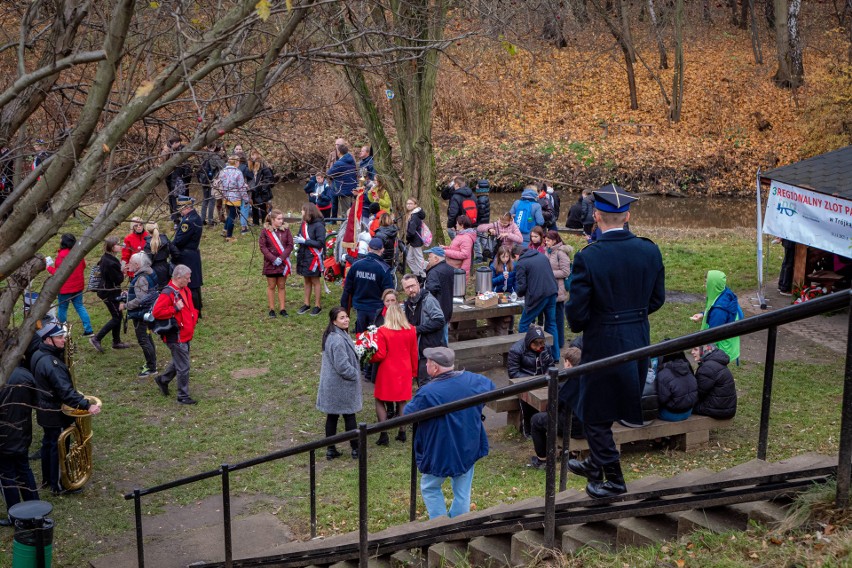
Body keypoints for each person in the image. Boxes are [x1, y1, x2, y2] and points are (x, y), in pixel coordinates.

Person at [565, 184, 665, 499]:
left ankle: (614, 479)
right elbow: (657, 299)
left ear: (596, 216)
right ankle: (596, 463)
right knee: (589, 402)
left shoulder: (589, 257)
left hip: (604, 343)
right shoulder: (649, 250)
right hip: (637, 340)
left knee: (594, 415)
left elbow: (577, 315)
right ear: (628, 216)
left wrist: (602, 318)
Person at [403, 346, 495, 519]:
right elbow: (491, 389)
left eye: (427, 362)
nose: (425, 365)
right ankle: (458, 524)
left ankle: (440, 524)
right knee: (462, 489)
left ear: (435, 368)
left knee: (430, 486)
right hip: (468, 444)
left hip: (439, 449)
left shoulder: (428, 393)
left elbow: (408, 414)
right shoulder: (474, 380)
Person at [31, 321, 101, 494]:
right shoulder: (51, 364)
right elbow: (65, 391)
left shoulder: (38, 354)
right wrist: (87, 406)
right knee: (57, 447)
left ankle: (48, 479)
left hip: (44, 409)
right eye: (59, 338)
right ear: (48, 340)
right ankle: (59, 485)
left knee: (48, 444)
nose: (63, 340)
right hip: (55, 411)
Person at [317, 308, 362, 460]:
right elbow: (342, 365)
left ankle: (331, 449)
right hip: (341, 385)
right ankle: (355, 449)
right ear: (334, 321)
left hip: (334, 386)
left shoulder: (335, 334)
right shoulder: (337, 339)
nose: (346, 319)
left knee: (333, 416)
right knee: (349, 416)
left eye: (347, 316)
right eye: (342, 318)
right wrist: (355, 374)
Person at [371, 303, 418, 445]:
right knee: (402, 401)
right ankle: (402, 432)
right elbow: (414, 353)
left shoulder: (383, 331)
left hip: (387, 371)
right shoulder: (411, 330)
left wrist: (370, 357)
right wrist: (414, 372)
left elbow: (380, 354)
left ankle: (383, 434)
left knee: (380, 400)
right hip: (404, 370)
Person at [152, 264, 199, 405]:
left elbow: (190, 308)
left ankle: (163, 380)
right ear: (178, 278)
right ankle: (183, 396)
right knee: (183, 367)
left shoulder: (184, 289)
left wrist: (193, 318)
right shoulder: (168, 293)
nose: (189, 281)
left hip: (185, 333)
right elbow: (157, 312)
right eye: (187, 278)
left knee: (179, 361)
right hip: (176, 336)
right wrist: (174, 308)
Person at [529, 346, 582, 469]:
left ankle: (542, 459)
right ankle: (573, 453)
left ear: (568, 363)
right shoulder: (589, 378)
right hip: (588, 424)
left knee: (536, 420)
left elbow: (553, 408)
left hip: (572, 427)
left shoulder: (564, 383)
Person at [0, 365, 40, 525]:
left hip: (3, 440)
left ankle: (16, 516)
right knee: (24, 470)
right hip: (22, 434)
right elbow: (36, 401)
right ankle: (36, 510)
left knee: (7, 477)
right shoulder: (24, 374)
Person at [515, 245, 559, 361]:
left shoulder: (521, 263)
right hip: (552, 291)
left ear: (516, 255)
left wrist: (518, 294)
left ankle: (524, 356)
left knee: (524, 324)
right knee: (551, 324)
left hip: (538, 296)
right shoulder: (541, 256)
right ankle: (555, 356)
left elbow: (521, 286)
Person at [341, 237, 395, 332]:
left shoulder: (356, 265)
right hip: (377, 309)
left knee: (361, 337)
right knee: (376, 337)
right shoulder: (384, 269)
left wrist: (343, 308)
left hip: (360, 307)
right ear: (382, 250)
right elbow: (390, 291)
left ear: (368, 248)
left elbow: (347, 289)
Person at [46, 233, 94, 337]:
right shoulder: (78, 253)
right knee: (80, 307)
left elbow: (58, 273)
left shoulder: (61, 255)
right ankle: (89, 330)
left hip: (65, 288)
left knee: (63, 308)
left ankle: (61, 331)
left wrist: (48, 267)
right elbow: (83, 266)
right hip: (78, 287)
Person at [402, 274, 446, 387]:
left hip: (430, 350)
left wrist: (417, 329)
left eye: (412, 286)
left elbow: (440, 321)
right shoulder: (408, 304)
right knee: (421, 381)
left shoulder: (428, 300)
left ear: (418, 284)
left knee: (427, 384)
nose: (411, 290)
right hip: (416, 350)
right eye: (407, 288)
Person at [690, 270, 743, 363]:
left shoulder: (719, 311)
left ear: (713, 284)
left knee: (712, 372)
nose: (704, 285)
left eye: (706, 282)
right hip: (728, 346)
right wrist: (703, 314)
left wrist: (701, 352)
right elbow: (712, 307)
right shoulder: (724, 293)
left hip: (721, 350)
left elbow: (712, 336)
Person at [90, 236, 131, 353]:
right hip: (109, 293)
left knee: (118, 315)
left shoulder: (107, 258)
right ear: (113, 247)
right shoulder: (110, 262)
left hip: (112, 291)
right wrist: (123, 273)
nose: (121, 245)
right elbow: (117, 279)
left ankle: (116, 342)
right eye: (118, 244)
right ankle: (96, 338)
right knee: (116, 317)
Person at [125, 252, 159, 378]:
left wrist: (126, 305)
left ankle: (151, 367)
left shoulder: (141, 278)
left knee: (143, 339)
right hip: (148, 312)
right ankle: (151, 363)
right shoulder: (149, 272)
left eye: (131, 263)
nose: (129, 265)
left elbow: (141, 299)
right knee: (147, 337)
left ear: (138, 265)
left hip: (141, 314)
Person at [172, 196, 205, 318]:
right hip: (193, 253)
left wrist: (171, 246)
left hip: (186, 255)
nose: (180, 211)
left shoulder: (188, 221)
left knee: (191, 283)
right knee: (194, 283)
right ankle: (197, 309)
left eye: (181, 208)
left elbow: (179, 240)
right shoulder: (195, 217)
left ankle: (195, 311)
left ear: (187, 207)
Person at [259, 209, 294, 317]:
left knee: (282, 286)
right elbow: (263, 247)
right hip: (270, 263)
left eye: (282, 218)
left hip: (283, 263)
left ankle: (282, 309)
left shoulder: (286, 230)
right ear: (272, 220)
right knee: (271, 286)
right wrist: (273, 259)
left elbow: (290, 244)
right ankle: (272, 309)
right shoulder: (265, 231)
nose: (281, 221)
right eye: (279, 219)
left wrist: (282, 258)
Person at [295, 203, 326, 316]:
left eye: (303, 210)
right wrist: (297, 240)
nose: (301, 212)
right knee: (306, 280)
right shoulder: (304, 224)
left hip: (314, 257)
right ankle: (306, 303)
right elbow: (300, 235)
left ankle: (317, 305)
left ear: (308, 212)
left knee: (315, 281)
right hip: (304, 255)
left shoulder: (319, 226)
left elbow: (320, 243)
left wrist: (305, 241)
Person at [543, 230, 573, 350]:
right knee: (550, 317)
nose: (546, 242)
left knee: (558, 318)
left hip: (559, 290)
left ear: (555, 240)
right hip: (549, 288)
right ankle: (550, 341)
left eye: (548, 240)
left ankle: (559, 342)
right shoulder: (547, 251)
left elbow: (566, 272)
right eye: (545, 240)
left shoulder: (561, 253)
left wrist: (550, 273)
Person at [692, 344, 737, 419]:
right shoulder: (714, 361)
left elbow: (698, 393)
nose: (692, 352)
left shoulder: (708, 367)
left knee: (681, 408)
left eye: (695, 349)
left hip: (719, 410)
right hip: (726, 407)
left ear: (704, 350)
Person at [655, 351, 698, 422]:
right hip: (688, 412)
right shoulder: (687, 368)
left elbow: (661, 399)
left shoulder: (663, 374)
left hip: (672, 414)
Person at [424, 247, 455, 344]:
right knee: (444, 338)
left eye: (430, 257)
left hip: (437, 310)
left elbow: (430, 291)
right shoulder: (449, 269)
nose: (428, 259)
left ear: (436, 259)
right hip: (447, 309)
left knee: (439, 341)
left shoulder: (434, 272)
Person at [218, 155, 250, 242]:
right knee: (233, 216)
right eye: (238, 161)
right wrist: (246, 199)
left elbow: (221, 183)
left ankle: (225, 230)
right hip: (235, 198)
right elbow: (241, 188)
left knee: (230, 214)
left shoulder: (223, 171)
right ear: (236, 162)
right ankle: (229, 236)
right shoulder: (238, 172)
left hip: (226, 196)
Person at [144, 222, 178, 290]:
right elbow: (176, 252)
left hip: (152, 270)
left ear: (147, 230)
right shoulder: (165, 240)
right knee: (166, 291)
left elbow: (147, 262)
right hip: (165, 268)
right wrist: (171, 262)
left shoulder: (148, 244)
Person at [327, 143, 357, 218]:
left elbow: (329, 173)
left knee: (345, 211)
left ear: (339, 152)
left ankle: (346, 227)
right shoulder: (351, 160)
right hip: (351, 188)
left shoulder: (339, 163)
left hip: (343, 189)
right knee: (349, 208)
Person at [198, 144, 225, 226]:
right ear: (214, 147)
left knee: (205, 199)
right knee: (212, 200)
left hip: (203, 180)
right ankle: (210, 220)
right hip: (212, 181)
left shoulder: (203, 155)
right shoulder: (215, 157)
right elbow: (223, 166)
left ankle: (202, 219)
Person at [249, 150, 275, 226]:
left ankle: (265, 222)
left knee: (264, 208)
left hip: (263, 192)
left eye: (254, 154)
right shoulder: (251, 166)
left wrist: (263, 188)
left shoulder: (264, 167)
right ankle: (255, 222)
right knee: (254, 207)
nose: (252, 156)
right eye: (252, 155)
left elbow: (269, 179)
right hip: (254, 190)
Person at [404, 197, 427, 279]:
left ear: (415, 205)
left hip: (416, 241)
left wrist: (407, 239)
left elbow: (411, 231)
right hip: (413, 241)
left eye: (411, 203)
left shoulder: (414, 216)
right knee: (409, 258)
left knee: (419, 259)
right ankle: (416, 273)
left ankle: (423, 276)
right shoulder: (413, 214)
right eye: (407, 203)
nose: (408, 205)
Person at [474, 180, 492, 261]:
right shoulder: (485, 197)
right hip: (485, 222)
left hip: (480, 223)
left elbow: (480, 211)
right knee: (483, 239)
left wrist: (475, 221)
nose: (476, 187)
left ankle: (479, 256)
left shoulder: (481, 198)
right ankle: (486, 255)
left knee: (476, 239)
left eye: (477, 186)